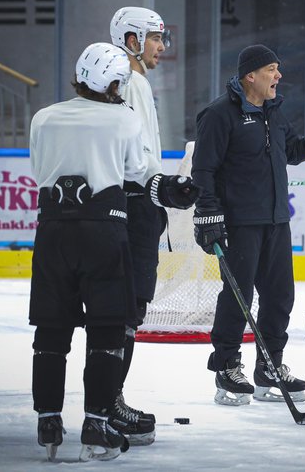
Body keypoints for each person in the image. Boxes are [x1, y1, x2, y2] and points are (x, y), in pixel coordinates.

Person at [29, 42, 198, 462]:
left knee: (50, 332)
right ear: (114, 81)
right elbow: (139, 174)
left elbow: (39, 170)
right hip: (103, 231)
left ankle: (48, 421)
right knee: (106, 332)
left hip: (51, 232)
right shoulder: (122, 119)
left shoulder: (43, 117)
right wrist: (173, 190)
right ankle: (97, 424)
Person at [192, 44, 305, 406]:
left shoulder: (272, 112)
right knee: (239, 297)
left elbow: (292, 150)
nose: (279, 76)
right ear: (250, 75)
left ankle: (269, 366)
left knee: (280, 297)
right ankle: (227, 366)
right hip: (239, 223)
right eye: (272, 69)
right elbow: (203, 170)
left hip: (275, 220)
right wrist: (207, 213)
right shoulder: (219, 114)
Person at [108, 6, 171, 444]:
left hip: (131, 203)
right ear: (130, 39)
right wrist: (160, 185)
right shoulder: (131, 83)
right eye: (154, 38)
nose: (161, 48)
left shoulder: (132, 83)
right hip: (133, 205)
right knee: (126, 308)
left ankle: (110, 401)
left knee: (126, 309)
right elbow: (137, 158)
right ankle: (110, 404)